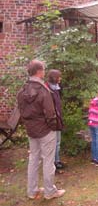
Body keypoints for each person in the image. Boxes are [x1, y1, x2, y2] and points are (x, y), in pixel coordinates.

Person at [17, 59, 66, 200]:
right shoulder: (44, 90)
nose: (44, 72)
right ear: (39, 72)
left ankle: (32, 191)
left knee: (33, 160)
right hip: (45, 131)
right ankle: (50, 192)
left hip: (31, 130)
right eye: (43, 70)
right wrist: (52, 128)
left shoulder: (22, 90)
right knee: (48, 162)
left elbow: (21, 111)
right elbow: (50, 114)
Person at [45, 69, 64, 170]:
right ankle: (53, 163)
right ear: (54, 78)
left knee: (57, 142)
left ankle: (57, 160)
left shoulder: (56, 89)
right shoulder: (47, 90)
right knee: (53, 143)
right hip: (52, 120)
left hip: (57, 119)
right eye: (59, 77)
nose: (60, 79)